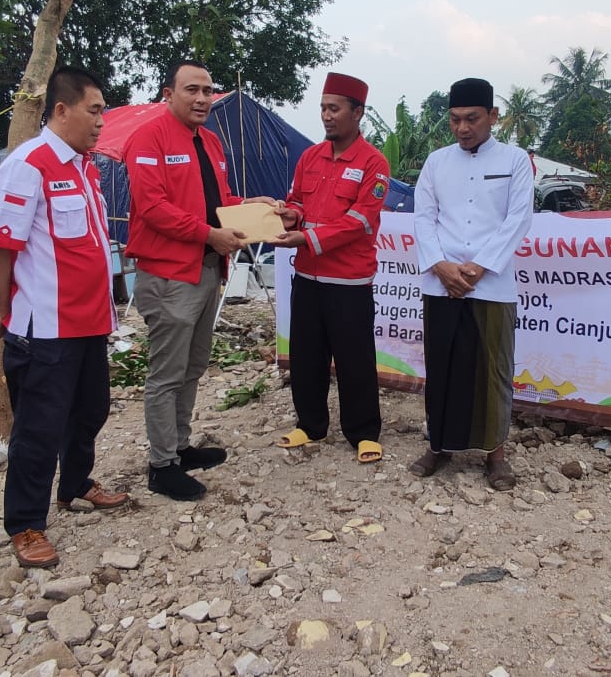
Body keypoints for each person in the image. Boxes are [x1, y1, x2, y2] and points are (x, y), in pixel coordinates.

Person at [0, 66, 127, 569]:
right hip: (45, 327)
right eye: (94, 110)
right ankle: (25, 523)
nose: (102, 121)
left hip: (89, 321)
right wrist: (7, 311)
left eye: (103, 111)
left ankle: (77, 484)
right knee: (38, 430)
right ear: (61, 110)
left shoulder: (85, 166)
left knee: (91, 410)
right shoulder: (28, 165)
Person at [123, 60, 275, 501]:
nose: (203, 99)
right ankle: (161, 464)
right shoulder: (146, 139)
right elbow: (152, 207)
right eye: (192, 90)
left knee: (193, 365)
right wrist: (209, 234)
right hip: (169, 273)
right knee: (167, 373)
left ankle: (180, 446)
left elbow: (218, 201)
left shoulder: (209, 141)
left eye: (209, 91)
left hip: (208, 269)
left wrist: (252, 206)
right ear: (168, 94)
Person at [409, 77, 534, 487]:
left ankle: (495, 453)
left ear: (493, 116)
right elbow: (423, 218)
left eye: (472, 119)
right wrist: (441, 267)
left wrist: (479, 267)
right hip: (440, 284)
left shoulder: (515, 160)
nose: (463, 128)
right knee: (441, 366)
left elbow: (518, 218)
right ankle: (438, 446)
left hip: (492, 285)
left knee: (492, 370)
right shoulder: (436, 162)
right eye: (455, 120)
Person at [272, 72, 388, 463]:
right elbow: (298, 201)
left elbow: (361, 221)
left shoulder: (374, 163)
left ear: (357, 113)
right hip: (307, 277)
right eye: (323, 108)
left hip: (349, 281)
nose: (326, 116)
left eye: (334, 108)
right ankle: (310, 425)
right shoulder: (310, 156)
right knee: (306, 355)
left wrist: (306, 238)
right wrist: (290, 216)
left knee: (355, 358)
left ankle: (364, 432)